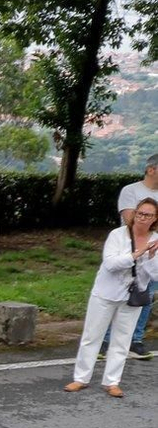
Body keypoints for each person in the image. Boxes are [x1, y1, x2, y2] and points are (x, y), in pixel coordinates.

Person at [66, 197, 158, 398]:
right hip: (106, 293)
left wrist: (150, 258)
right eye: (140, 213)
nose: (142, 218)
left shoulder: (156, 240)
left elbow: (155, 275)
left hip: (133, 295)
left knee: (122, 339)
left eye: (148, 215)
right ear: (134, 213)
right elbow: (110, 264)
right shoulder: (118, 235)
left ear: (155, 218)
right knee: (92, 336)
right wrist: (136, 254)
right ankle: (81, 378)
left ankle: (112, 381)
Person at [109, 154, 158, 360]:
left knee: (146, 296)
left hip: (153, 252)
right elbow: (130, 219)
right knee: (118, 296)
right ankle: (107, 340)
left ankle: (135, 339)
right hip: (129, 249)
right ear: (151, 169)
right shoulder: (131, 191)